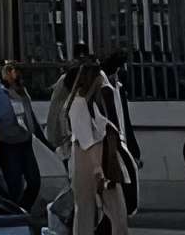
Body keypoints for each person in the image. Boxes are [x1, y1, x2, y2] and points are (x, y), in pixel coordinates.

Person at [65, 62, 128, 235]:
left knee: (117, 212)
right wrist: (98, 167)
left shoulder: (95, 102)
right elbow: (86, 141)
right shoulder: (79, 104)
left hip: (99, 159)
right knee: (85, 212)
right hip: (89, 159)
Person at [0, 59, 44, 224]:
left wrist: (46, 141)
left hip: (24, 143)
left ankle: (23, 210)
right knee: (14, 186)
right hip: (8, 145)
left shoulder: (22, 93)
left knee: (34, 181)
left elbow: (30, 118)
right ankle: (14, 219)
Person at [99, 49, 138, 221]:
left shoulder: (119, 89)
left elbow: (125, 118)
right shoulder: (104, 90)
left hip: (122, 138)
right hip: (112, 140)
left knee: (129, 173)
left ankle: (125, 209)